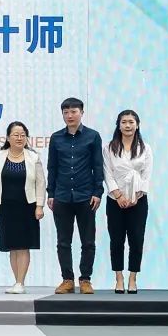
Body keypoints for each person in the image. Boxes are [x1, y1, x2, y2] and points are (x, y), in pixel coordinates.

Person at [47, 97, 104, 294]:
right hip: (62, 196)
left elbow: (98, 166)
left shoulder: (93, 136)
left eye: (73, 112)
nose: (70, 116)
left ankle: (85, 279)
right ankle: (67, 280)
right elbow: (52, 167)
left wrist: (97, 192)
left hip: (86, 196)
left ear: (82, 113)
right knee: (63, 242)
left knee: (88, 241)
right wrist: (51, 193)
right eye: (66, 112)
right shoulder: (56, 138)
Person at [0, 121, 46, 294]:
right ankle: (16, 282)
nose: (19, 138)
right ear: (8, 138)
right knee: (12, 246)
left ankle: (21, 282)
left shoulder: (33, 157)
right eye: (15, 135)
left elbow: (41, 183)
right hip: (6, 206)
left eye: (22, 135)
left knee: (23, 245)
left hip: (28, 206)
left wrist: (40, 206)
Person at [102, 110, 153, 294]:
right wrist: (118, 196)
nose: (128, 125)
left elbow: (146, 175)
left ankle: (132, 278)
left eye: (131, 122)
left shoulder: (145, 148)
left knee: (136, 240)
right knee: (116, 240)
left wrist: (135, 197)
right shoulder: (109, 148)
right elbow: (107, 173)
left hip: (138, 201)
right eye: (124, 122)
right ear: (118, 125)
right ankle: (119, 278)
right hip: (114, 201)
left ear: (137, 125)